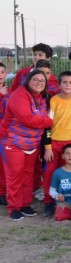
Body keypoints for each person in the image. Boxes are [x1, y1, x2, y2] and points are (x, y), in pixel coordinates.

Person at [0, 69, 53, 220]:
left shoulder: (42, 97)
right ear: (28, 80)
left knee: (27, 175)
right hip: (13, 141)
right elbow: (27, 118)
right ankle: (14, 207)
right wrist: (48, 122)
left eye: (42, 81)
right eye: (35, 79)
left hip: (32, 143)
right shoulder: (19, 95)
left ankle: (24, 204)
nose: (39, 83)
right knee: (15, 175)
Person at [42, 71, 71, 217]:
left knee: (68, 173)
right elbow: (47, 126)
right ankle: (48, 202)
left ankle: (68, 200)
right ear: (59, 84)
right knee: (50, 172)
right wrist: (48, 147)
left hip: (70, 142)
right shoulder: (53, 101)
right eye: (64, 82)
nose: (67, 85)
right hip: (54, 143)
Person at [0, 63, 9, 206]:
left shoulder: (10, 90)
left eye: (2, 71)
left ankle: (2, 193)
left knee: (4, 165)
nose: (0, 74)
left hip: (5, 133)